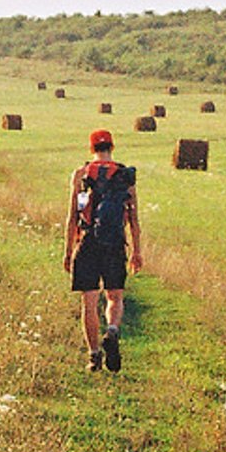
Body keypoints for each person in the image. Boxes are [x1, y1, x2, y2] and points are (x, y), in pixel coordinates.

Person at [64, 128, 142, 372]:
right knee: (114, 297)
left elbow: (71, 218)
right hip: (115, 243)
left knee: (89, 302)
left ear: (91, 149)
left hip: (87, 243)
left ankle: (94, 355)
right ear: (112, 148)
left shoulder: (81, 174)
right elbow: (134, 220)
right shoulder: (124, 176)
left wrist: (68, 252)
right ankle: (112, 330)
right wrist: (137, 252)